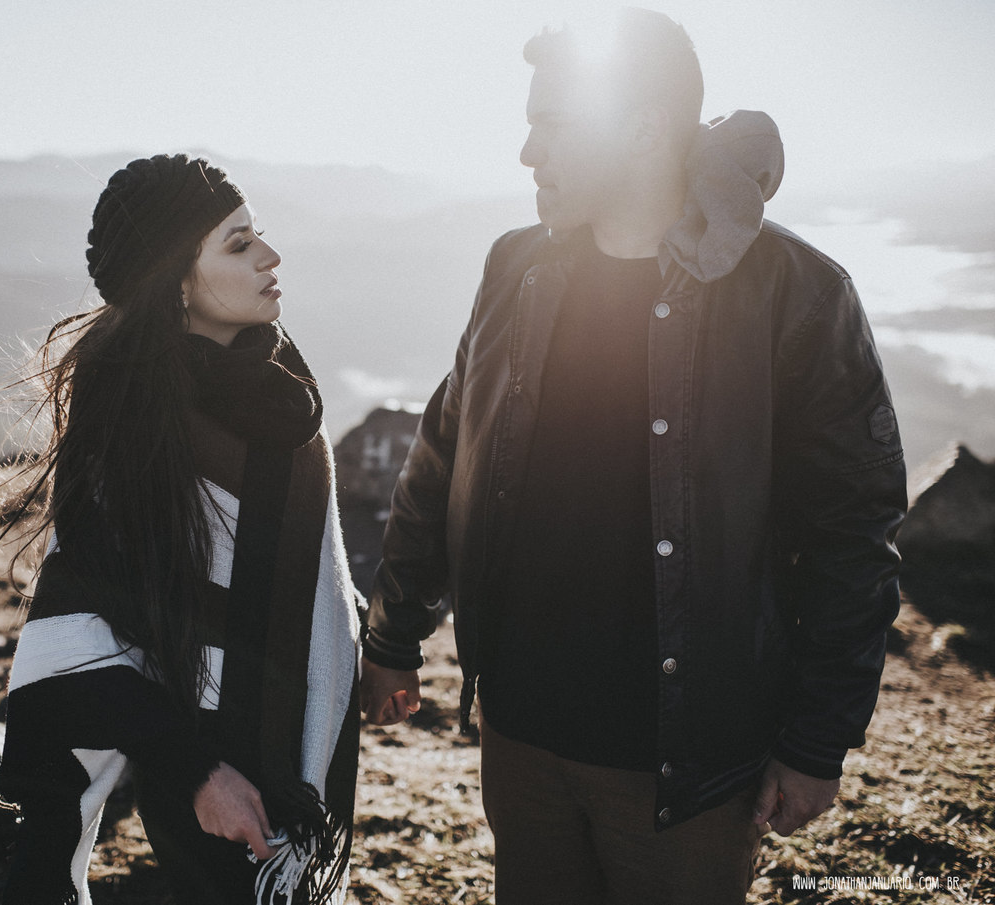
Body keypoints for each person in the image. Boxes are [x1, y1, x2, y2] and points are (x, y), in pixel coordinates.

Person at [359, 9, 906, 904]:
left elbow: (856, 530)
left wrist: (815, 743)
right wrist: (393, 632)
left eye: (554, 125)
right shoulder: (514, 267)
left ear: (646, 128)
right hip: (521, 738)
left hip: (685, 764)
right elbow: (444, 452)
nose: (528, 153)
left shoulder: (796, 294)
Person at [0, 154, 362, 905]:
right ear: (178, 283)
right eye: (236, 244)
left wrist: (369, 656)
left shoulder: (282, 392)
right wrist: (195, 771)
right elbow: (80, 627)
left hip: (300, 761)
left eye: (258, 234)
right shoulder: (132, 427)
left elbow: (320, 577)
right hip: (206, 770)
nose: (270, 256)